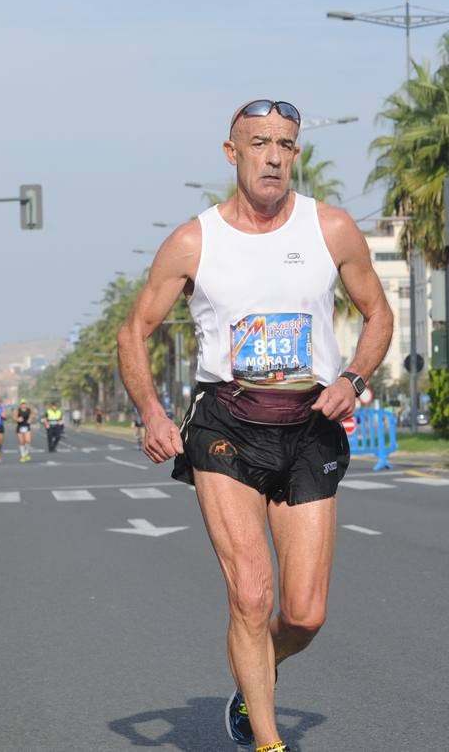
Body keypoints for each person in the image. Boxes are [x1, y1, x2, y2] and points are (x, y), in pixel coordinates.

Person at [116, 99, 392, 752]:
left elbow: (378, 314)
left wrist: (352, 378)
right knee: (250, 594)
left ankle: (252, 680)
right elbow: (134, 330)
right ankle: (267, 742)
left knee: (304, 613)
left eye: (286, 145)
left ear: (295, 154)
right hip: (226, 432)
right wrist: (152, 413)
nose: (273, 156)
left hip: (309, 428)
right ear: (231, 152)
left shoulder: (332, 229)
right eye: (260, 142)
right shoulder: (195, 240)